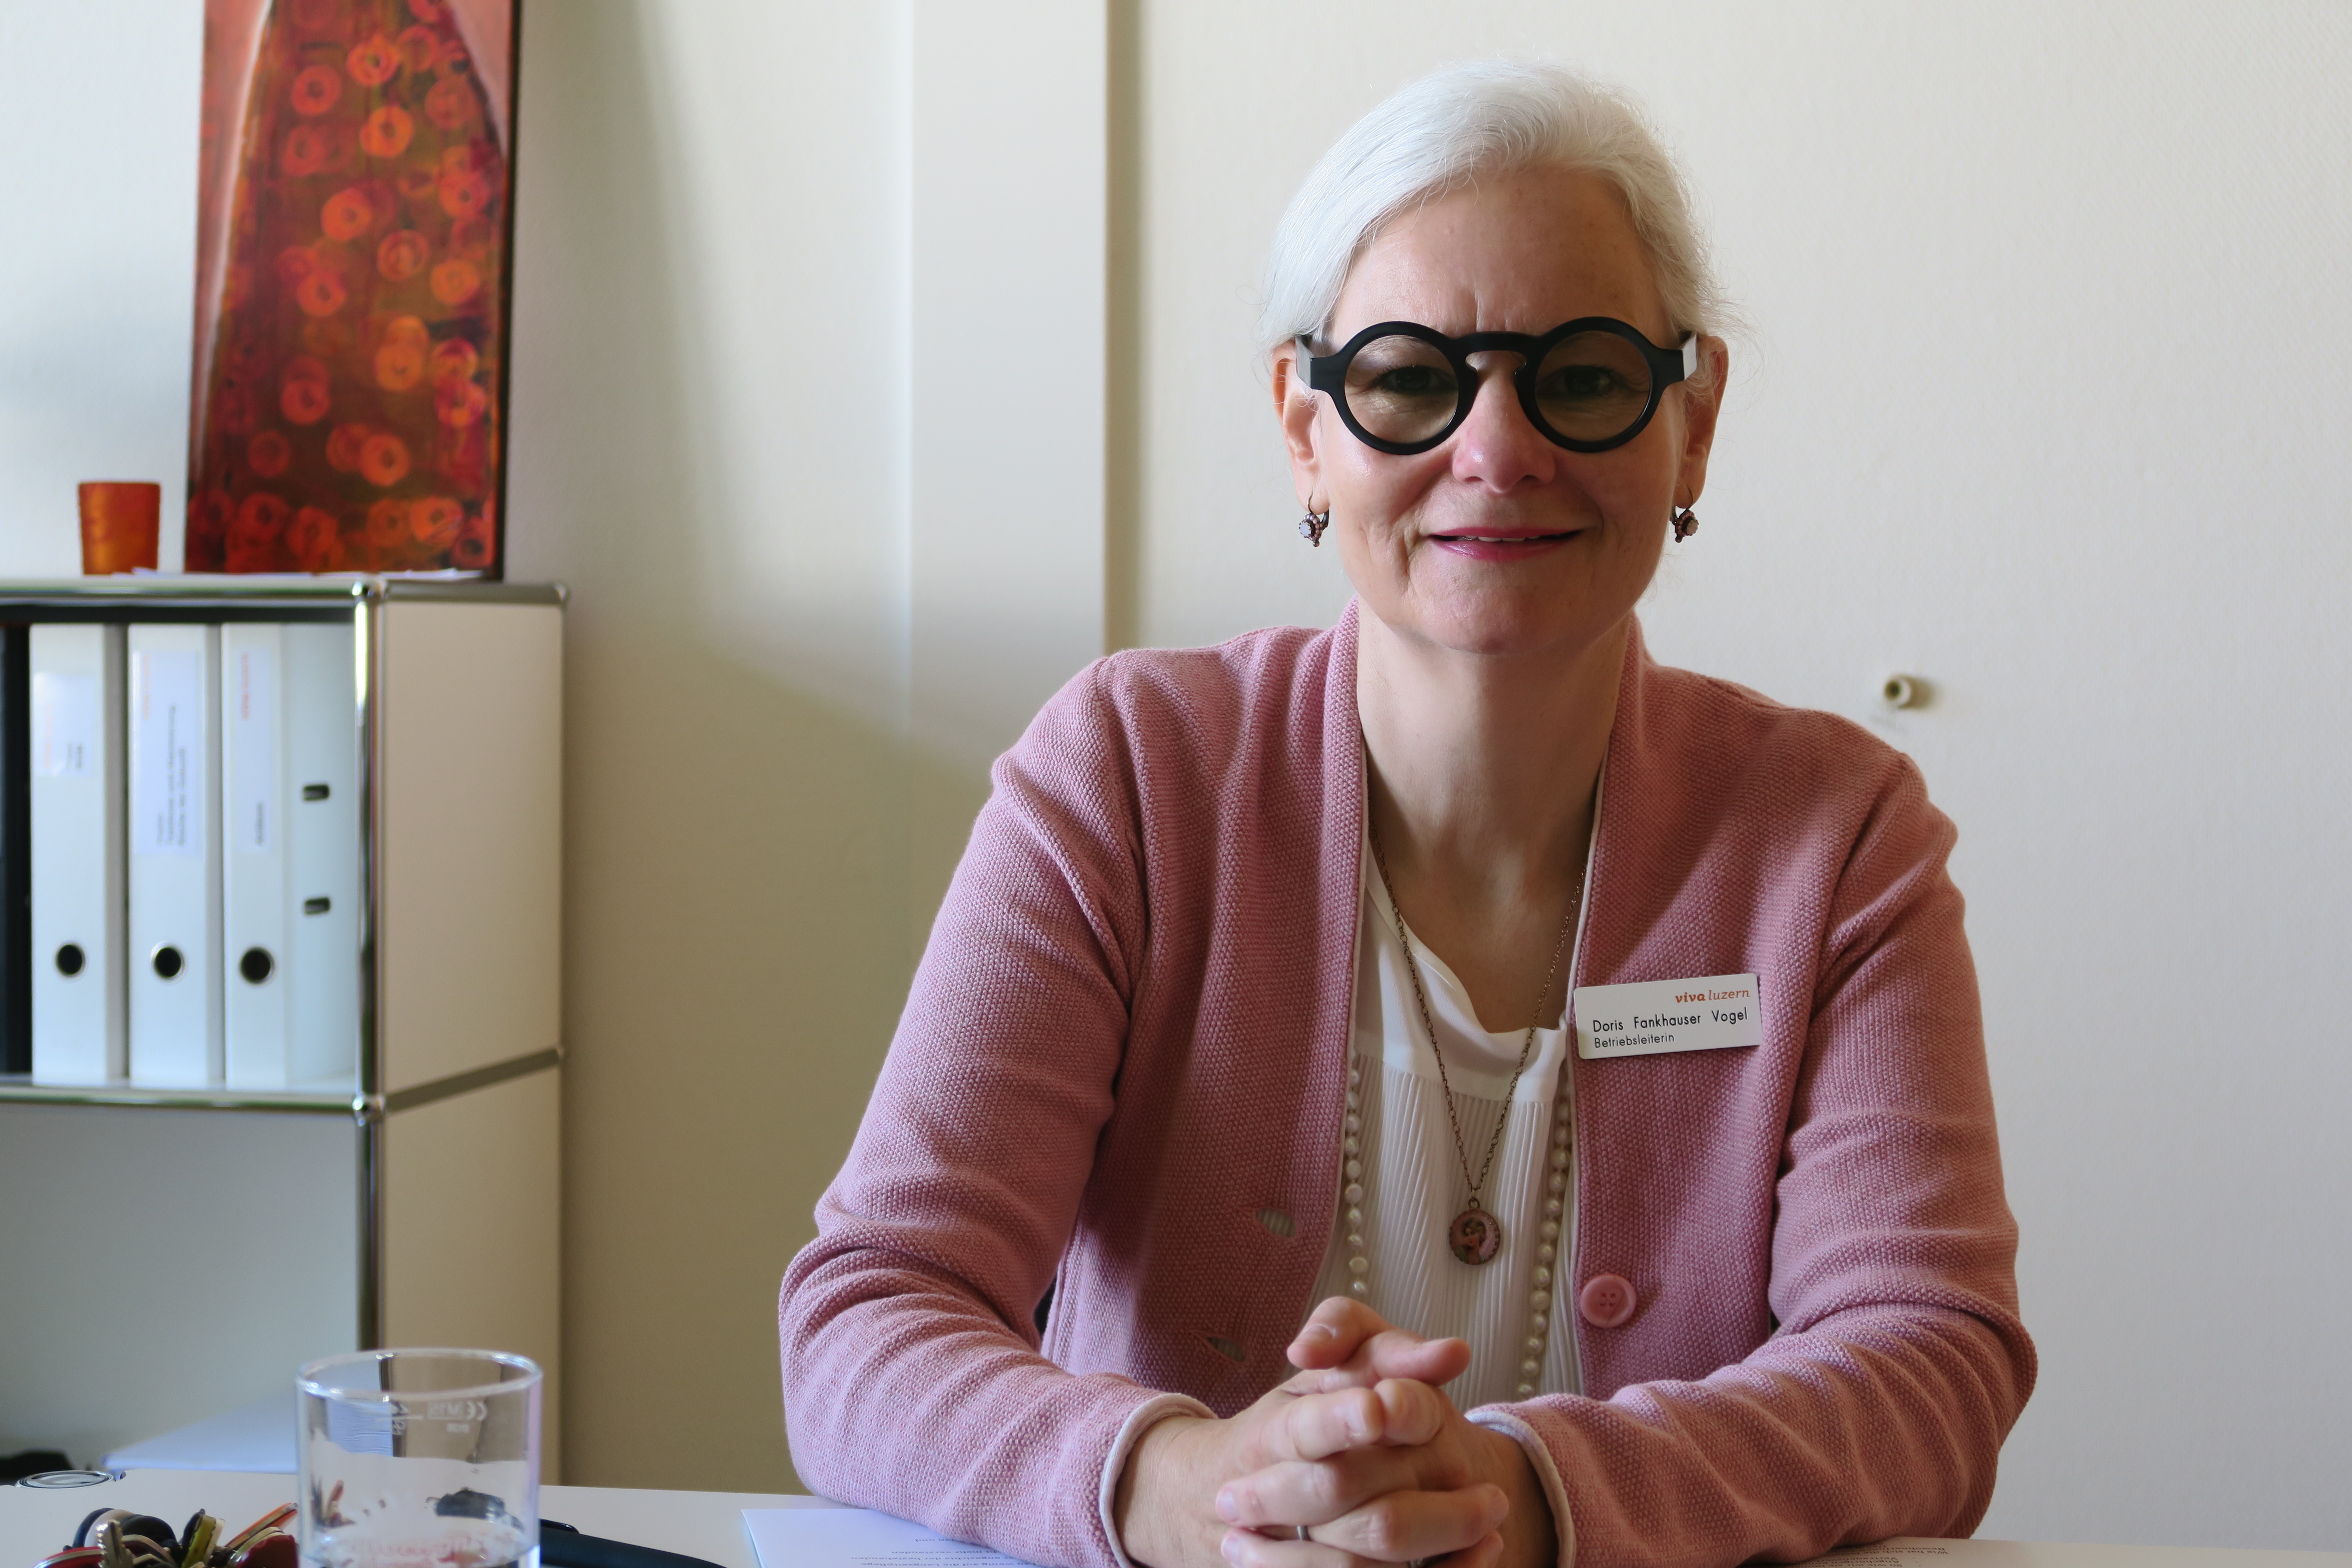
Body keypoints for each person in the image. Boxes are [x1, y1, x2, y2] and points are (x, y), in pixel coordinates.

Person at [780, 61, 2034, 1568]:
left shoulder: (1839, 838)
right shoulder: (1127, 774)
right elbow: (869, 1317)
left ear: (1691, 423)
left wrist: (1522, 1496)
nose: (1496, 452)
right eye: (1409, 379)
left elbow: (1930, 1364)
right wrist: (1191, 1488)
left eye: (1582, 376)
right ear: (1305, 427)